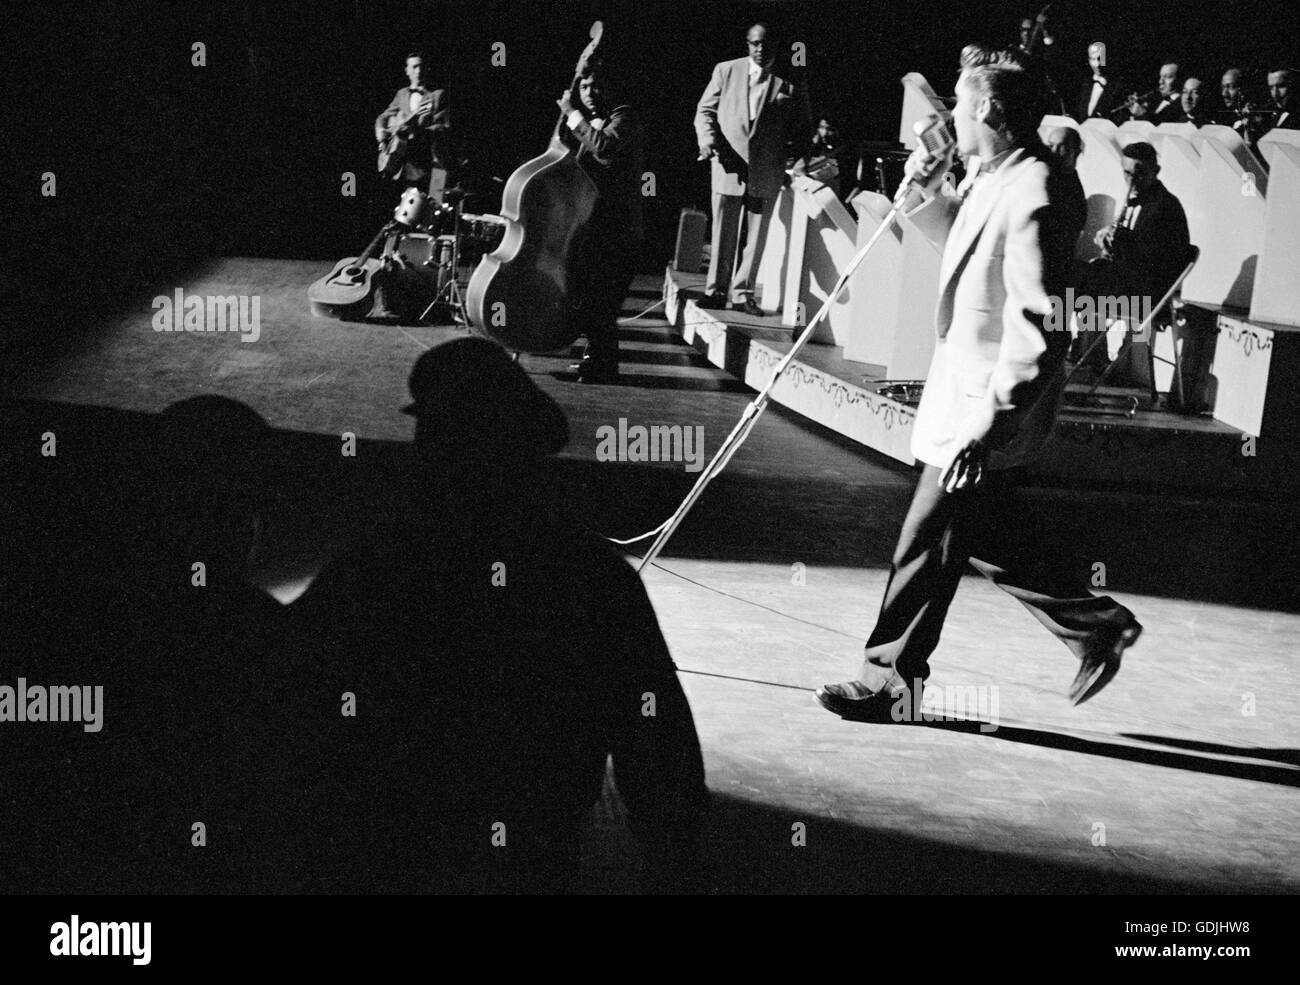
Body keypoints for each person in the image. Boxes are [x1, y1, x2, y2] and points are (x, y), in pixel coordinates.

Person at [288, 338, 710, 892]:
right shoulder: (591, 576)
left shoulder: (379, 563)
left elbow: (290, 705)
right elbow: (658, 747)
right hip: (532, 858)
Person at [816, 45, 1141, 723]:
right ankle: (1094, 623)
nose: (953, 118)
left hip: (986, 406)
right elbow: (957, 243)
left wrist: (990, 423)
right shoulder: (994, 175)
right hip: (961, 394)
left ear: (989, 110)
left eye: (960, 106)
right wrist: (923, 190)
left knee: (925, 539)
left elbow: (1036, 326)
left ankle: (889, 683)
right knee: (982, 535)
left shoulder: (1036, 190)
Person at [694, 22, 811, 314]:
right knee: (724, 231)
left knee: (757, 236)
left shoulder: (790, 80)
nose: (760, 50)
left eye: (765, 45)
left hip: (766, 169)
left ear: (775, 48)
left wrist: (796, 161)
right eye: (754, 44)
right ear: (747, 44)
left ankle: (744, 293)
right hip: (728, 164)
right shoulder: (726, 70)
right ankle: (716, 290)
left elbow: (802, 126)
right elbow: (705, 110)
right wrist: (707, 141)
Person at [556, 62, 646, 383]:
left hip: (618, 231)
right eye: (584, 87)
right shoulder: (589, 123)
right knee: (592, 299)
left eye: (595, 86)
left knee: (603, 302)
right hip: (593, 228)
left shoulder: (624, 117)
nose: (590, 93)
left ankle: (602, 366)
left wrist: (571, 113)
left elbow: (605, 148)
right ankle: (595, 359)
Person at [1075, 141, 1191, 383]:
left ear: (1156, 172)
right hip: (1129, 283)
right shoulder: (1138, 200)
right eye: (1127, 173)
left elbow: (1159, 261)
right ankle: (1090, 355)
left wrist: (1122, 242)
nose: (1132, 180)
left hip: (1147, 294)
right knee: (1075, 276)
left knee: (1077, 285)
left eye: (1140, 173)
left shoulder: (1165, 206)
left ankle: (1090, 359)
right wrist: (1109, 239)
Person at [374, 51, 454, 201]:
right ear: (407, 70)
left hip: (432, 166)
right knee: (403, 215)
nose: (419, 71)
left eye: (422, 67)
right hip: (403, 165)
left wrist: (416, 130)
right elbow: (383, 117)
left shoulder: (437, 95)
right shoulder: (401, 94)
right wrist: (380, 132)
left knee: (433, 211)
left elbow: (443, 129)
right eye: (415, 67)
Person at [1075, 41, 1125, 121]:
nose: (1097, 64)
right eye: (1093, 59)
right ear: (1088, 60)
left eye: (1100, 59)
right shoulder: (1085, 84)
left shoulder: (1118, 86)